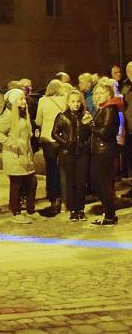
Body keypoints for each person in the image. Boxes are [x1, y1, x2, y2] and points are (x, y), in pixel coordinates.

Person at [0, 88, 37, 224]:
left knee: (31, 182)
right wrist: (12, 143)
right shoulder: (8, 115)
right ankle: (16, 211)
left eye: (24, 98)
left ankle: (30, 210)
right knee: (16, 184)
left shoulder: (24, 114)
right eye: (21, 99)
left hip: (25, 155)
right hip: (14, 155)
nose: (24, 101)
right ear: (13, 101)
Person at [52, 90, 92, 221]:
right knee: (71, 183)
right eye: (73, 101)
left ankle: (81, 209)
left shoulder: (85, 116)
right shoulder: (62, 116)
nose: (76, 104)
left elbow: (91, 133)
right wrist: (65, 143)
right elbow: (54, 133)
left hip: (82, 154)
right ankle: (73, 210)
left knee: (81, 183)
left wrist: (90, 125)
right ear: (68, 102)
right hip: (67, 154)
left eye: (78, 101)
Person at [89, 79, 121, 225]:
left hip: (104, 151)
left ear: (109, 94)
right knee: (101, 183)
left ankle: (109, 216)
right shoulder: (104, 108)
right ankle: (109, 214)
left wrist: (89, 124)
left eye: (102, 93)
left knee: (103, 184)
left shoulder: (109, 109)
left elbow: (105, 132)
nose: (98, 95)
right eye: (97, 93)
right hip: (102, 150)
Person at [35, 79, 67, 216]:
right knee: (64, 170)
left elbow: (38, 121)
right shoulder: (65, 99)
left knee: (51, 170)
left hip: (48, 139)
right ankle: (65, 200)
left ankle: (53, 200)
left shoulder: (43, 101)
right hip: (62, 139)